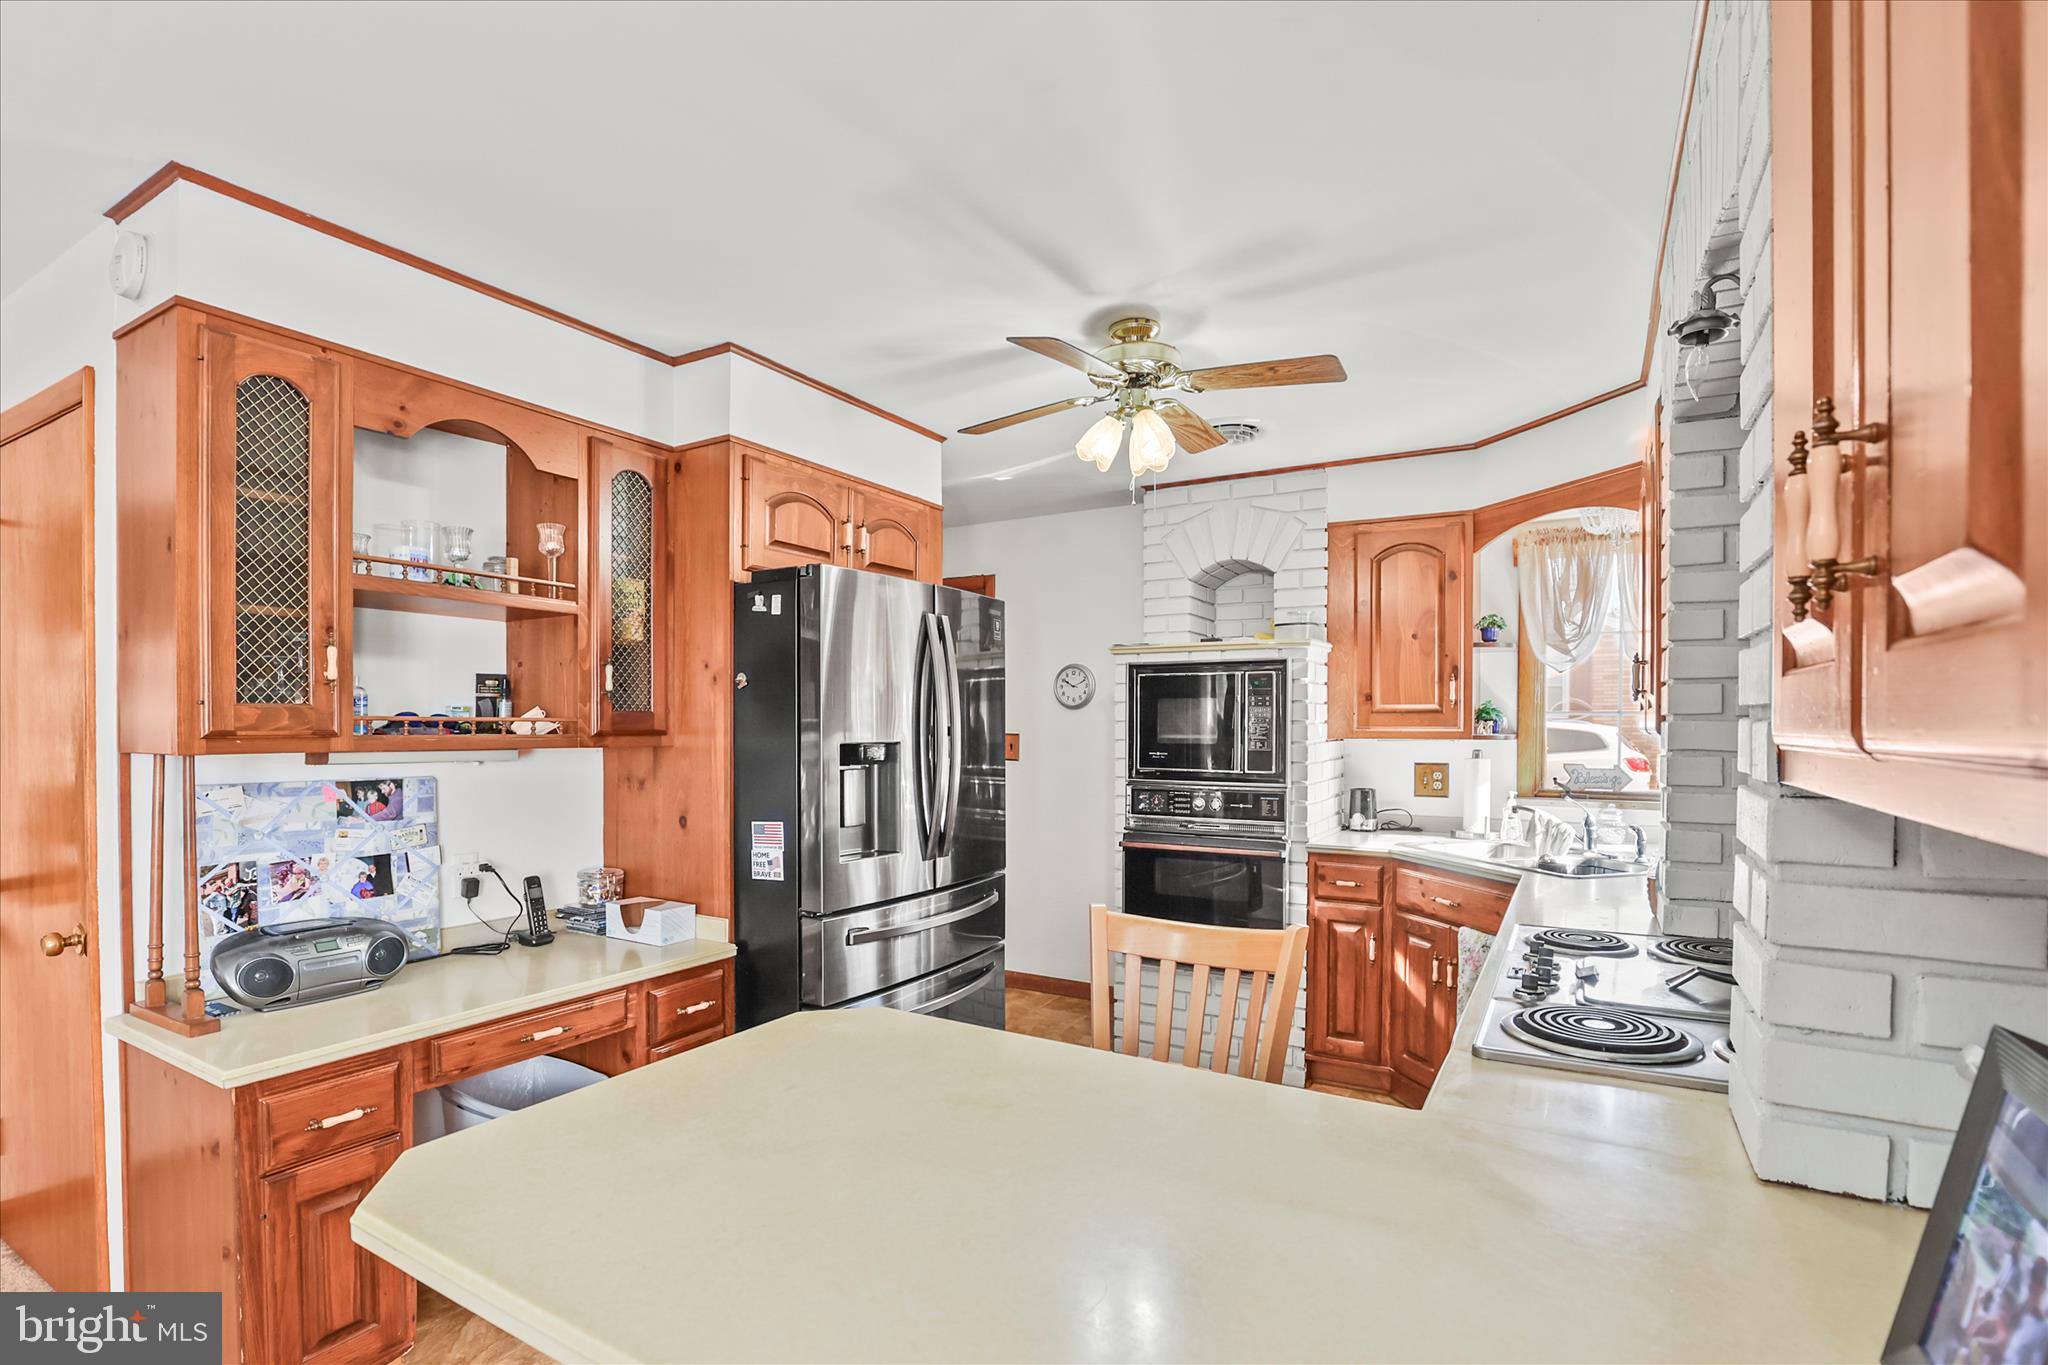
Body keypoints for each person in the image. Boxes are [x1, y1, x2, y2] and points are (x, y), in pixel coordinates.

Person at [2004, 1258, 2048, 1365]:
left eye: (2038, 1281)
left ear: (2043, 1288)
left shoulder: (2044, 1329)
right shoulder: (2020, 1313)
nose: (2033, 1284)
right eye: (2032, 1278)